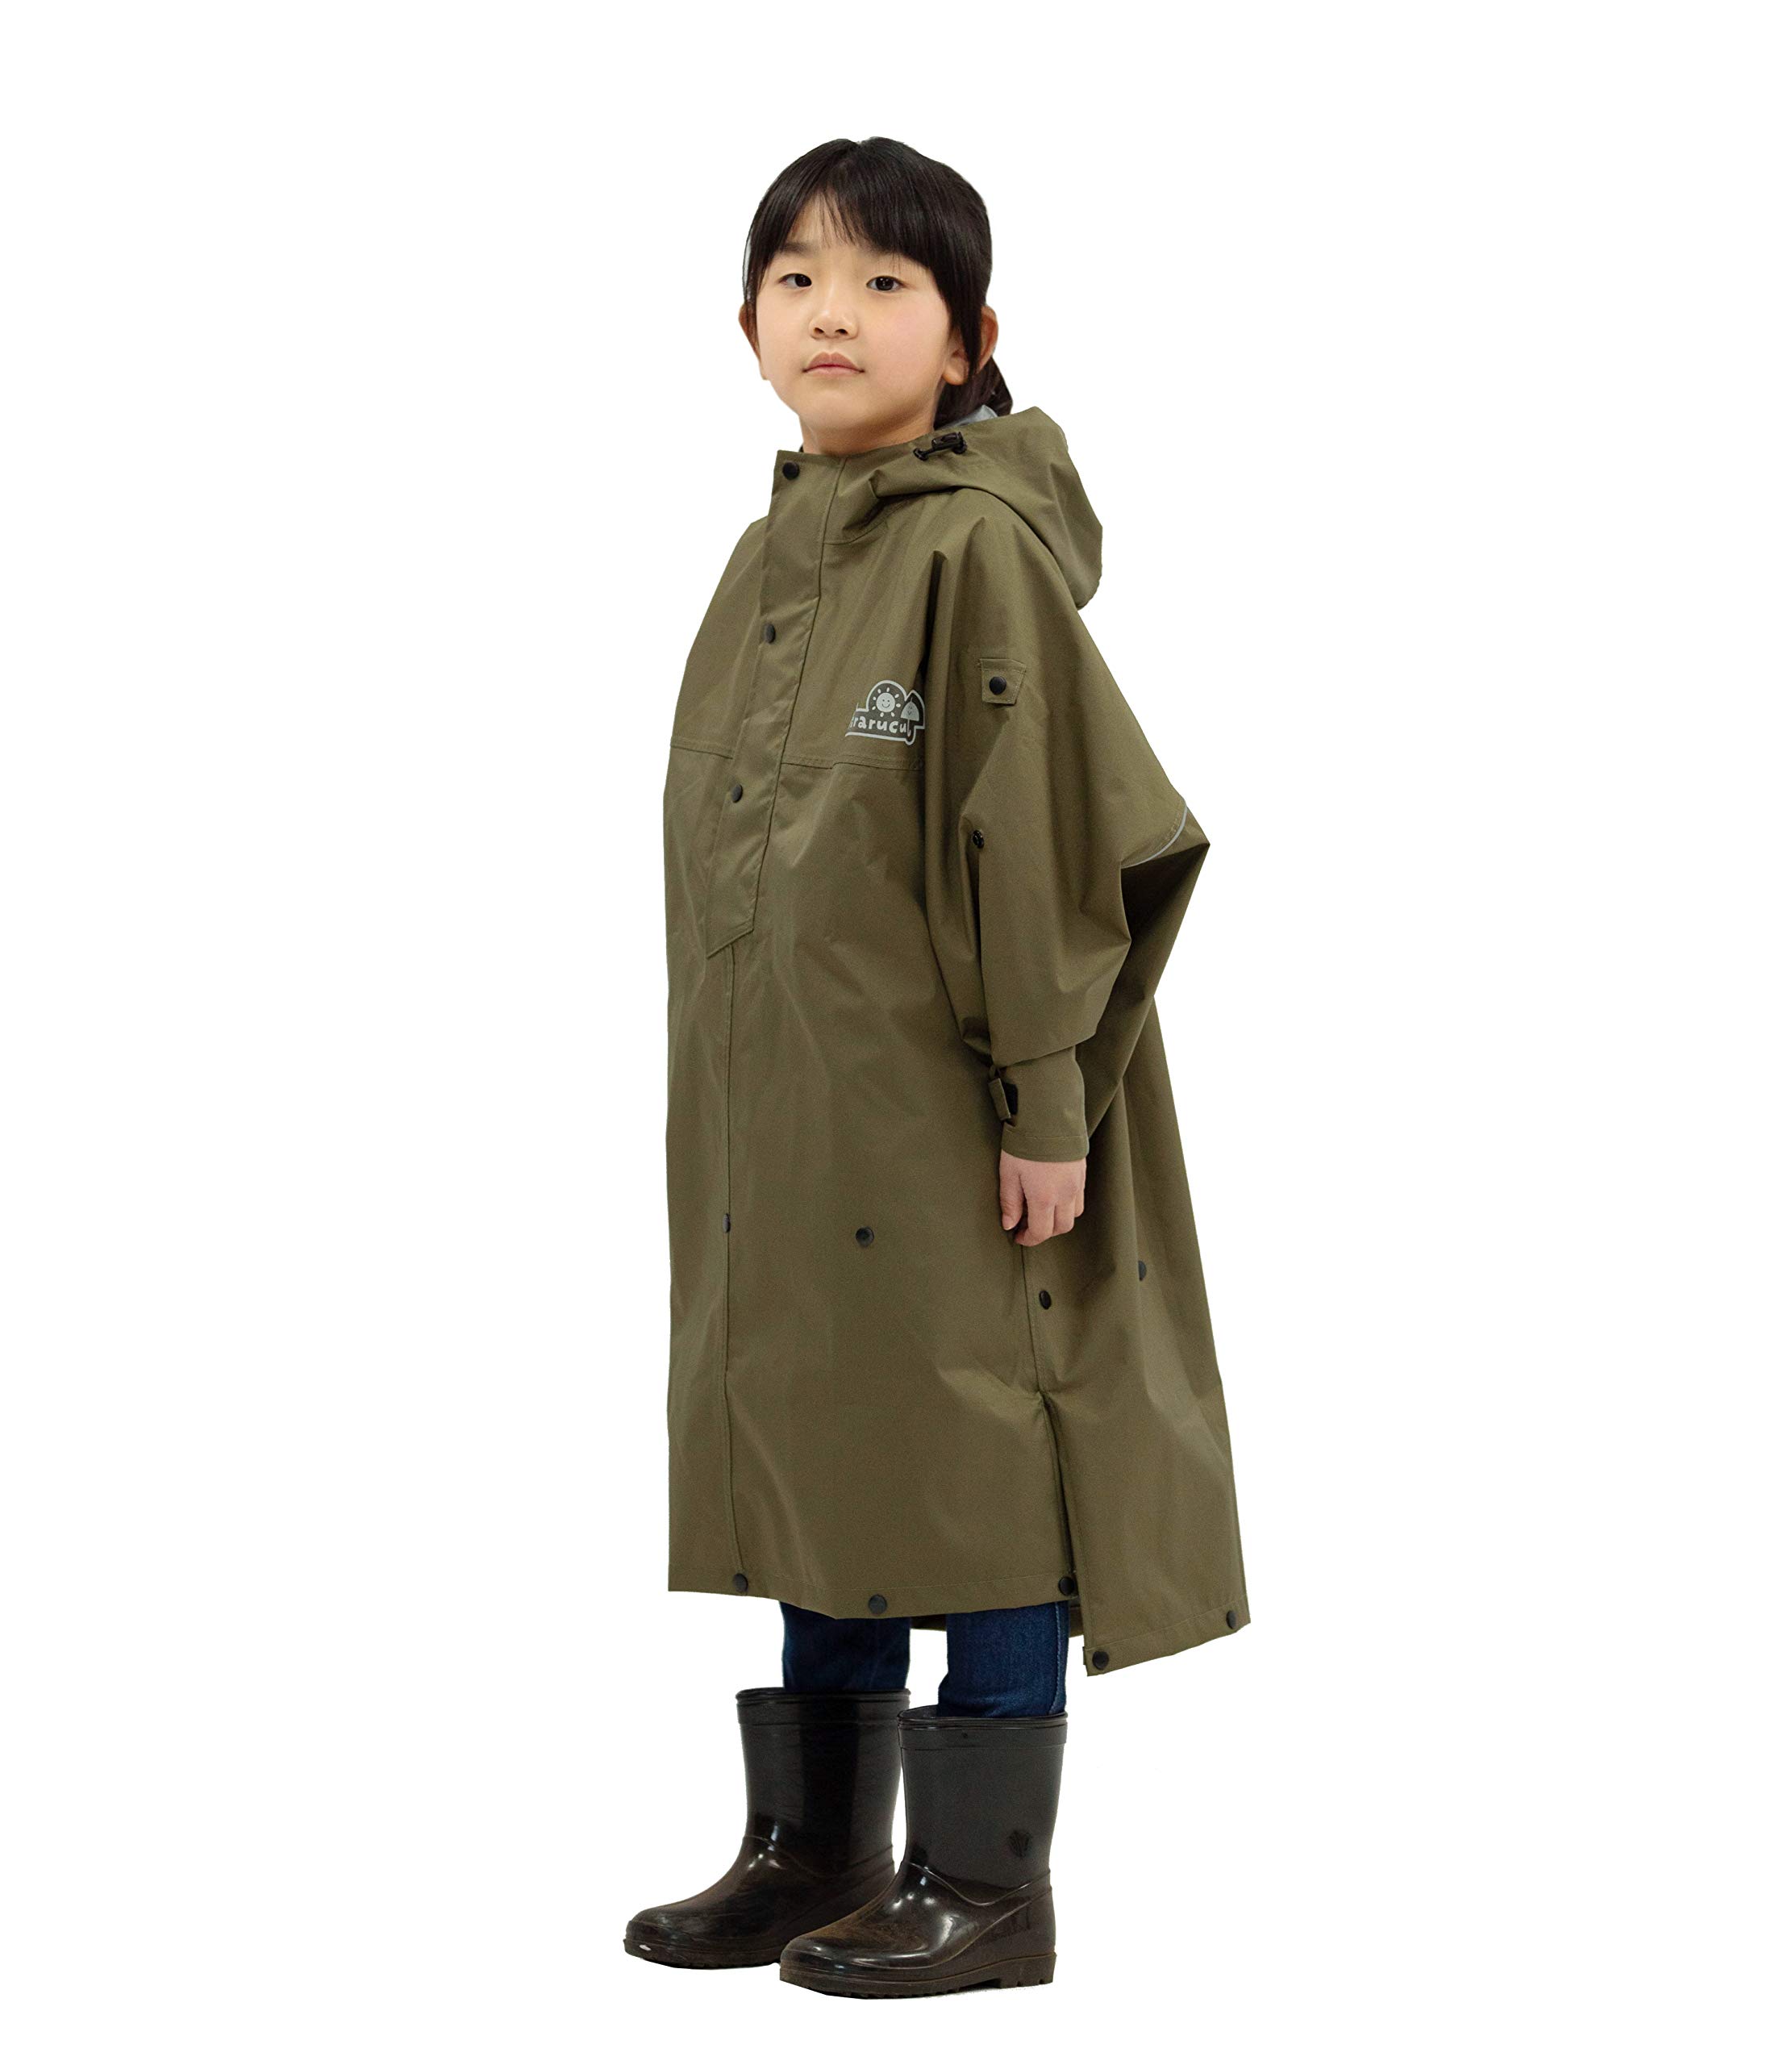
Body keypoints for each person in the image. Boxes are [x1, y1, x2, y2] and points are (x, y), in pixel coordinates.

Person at [625, 136, 1249, 2000]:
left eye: (885, 281)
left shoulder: (973, 550)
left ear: (970, 339)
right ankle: (817, 1846)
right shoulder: (768, 557)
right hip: (788, 1121)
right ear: (745, 325)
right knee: (831, 1433)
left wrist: (1046, 1107)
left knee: (977, 1450)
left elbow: (1039, 845)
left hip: (956, 1111)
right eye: (797, 277)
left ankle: (983, 1882)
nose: (834, 310)